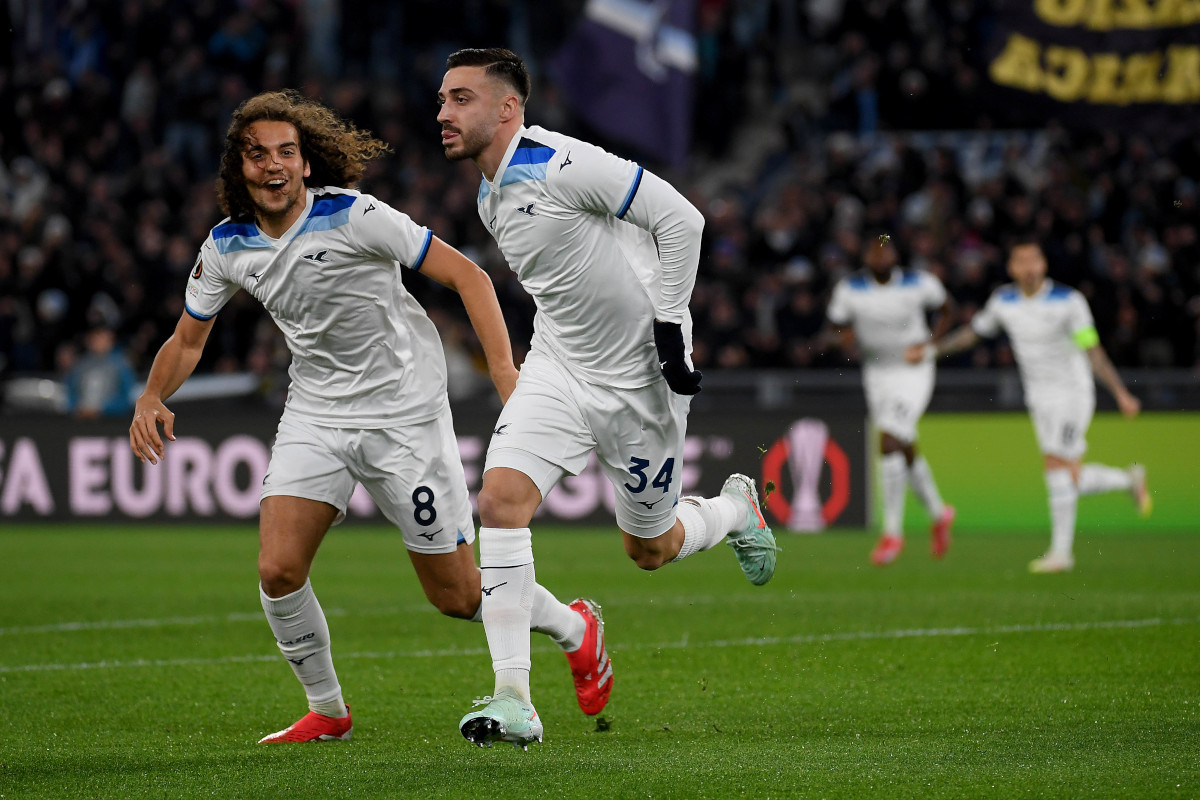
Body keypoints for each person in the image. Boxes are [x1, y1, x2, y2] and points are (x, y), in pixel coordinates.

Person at [128, 90, 611, 744]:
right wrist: (154, 395)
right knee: (277, 569)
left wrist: (507, 376)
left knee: (458, 596)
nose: (272, 166)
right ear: (238, 168)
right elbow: (188, 339)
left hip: (403, 415)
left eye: (285, 153)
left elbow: (468, 277)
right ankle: (328, 709)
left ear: (305, 164)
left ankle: (575, 628)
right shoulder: (227, 247)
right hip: (316, 413)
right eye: (256, 153)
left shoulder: (355, 216)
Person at [436, 48, 779, 749]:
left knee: (649, 550)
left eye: (460, 98)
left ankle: (734, 510)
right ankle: (513, 699)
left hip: (641, 382)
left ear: (507, 108)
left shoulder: (562, 164)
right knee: (499, 499)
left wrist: (670, 327)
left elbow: (682, 221)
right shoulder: (487, 193)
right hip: (560, 368)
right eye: (442, 99)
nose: (442, 112)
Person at [906, 234, 1151, 573]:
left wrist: (1121, 393)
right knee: (1070, 478)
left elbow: (1092, 351)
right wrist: (931, 351)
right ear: (1011, 267)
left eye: (1034, 260)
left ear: (1044, 265)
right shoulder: (1003, 302)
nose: (1029, 267)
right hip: (1039, 399)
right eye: (1021, 261)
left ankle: (1061, 554)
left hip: (1073, 394)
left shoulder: (1069, 301)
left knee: (1055, 467)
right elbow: (971, 334)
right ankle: (1128, 480)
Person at [828, 235, 957, 565]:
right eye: (874, 249)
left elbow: (947, 310)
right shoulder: (850, 289)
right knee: (903, 441)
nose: (880, 255)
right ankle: (939, 513)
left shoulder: (919, 283)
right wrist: (846, 341)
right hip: (877, 372)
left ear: (896, 255)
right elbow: (837, 324)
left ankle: (892, 533)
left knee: (887, 440)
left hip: (913, 368)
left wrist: (930, 342)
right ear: (866, 255)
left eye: (885, 249)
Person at [63, 324, 137, 419]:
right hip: (80, 420)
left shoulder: (121, 366)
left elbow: (128, 396)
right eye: (95, 337)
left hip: (112, 422)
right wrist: (77, 408)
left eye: (102, 338)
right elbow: (69, 392)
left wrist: (104, 409)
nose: (98, 342)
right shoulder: (80, 365)